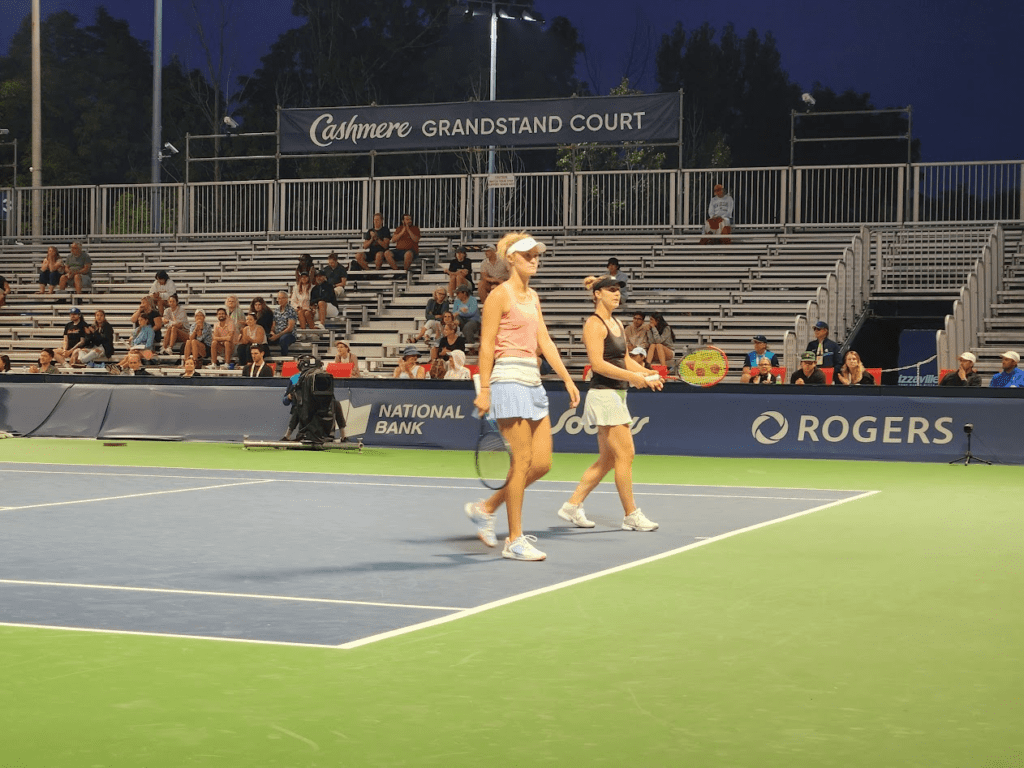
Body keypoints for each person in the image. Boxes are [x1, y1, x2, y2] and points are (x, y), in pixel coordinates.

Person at [465, 232, 581, 562]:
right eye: (527, 254)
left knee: (541, 463)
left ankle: (485, 508)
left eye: (537, 254)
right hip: (507, 380)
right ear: (511, 259)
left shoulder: (533, 297)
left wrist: (567, 379)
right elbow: (486, 345)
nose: (534, 258)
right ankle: (514, 540)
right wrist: (485, 390)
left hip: (533, 380)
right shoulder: (499, 296)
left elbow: (545, 341)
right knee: (521, 462)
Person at [556, 275, 663, 532]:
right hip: (604, 395)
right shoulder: (594, 324)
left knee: (607, 459)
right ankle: (631, 515)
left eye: (618, 290)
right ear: (597, 294)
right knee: (626, 455)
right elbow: (598, 364)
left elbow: (623, 358)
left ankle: (572, 505)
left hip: (617, 394)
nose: (617, 294)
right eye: (611, 290)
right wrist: (636, 378)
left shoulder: (616, 322)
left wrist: (646, 373)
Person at [271, 290, 298, 358]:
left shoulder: (291, 310)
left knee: (283, 339)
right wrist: (272, 333)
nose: (281, 300)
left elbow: (290, 328)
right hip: (277, 333)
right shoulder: (276, 311)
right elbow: (273, 325)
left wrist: (277, 336)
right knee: (265, 337)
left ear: (286, 299)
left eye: (282, 298)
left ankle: (284, 358)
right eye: (279, 298)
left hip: (289, 334)